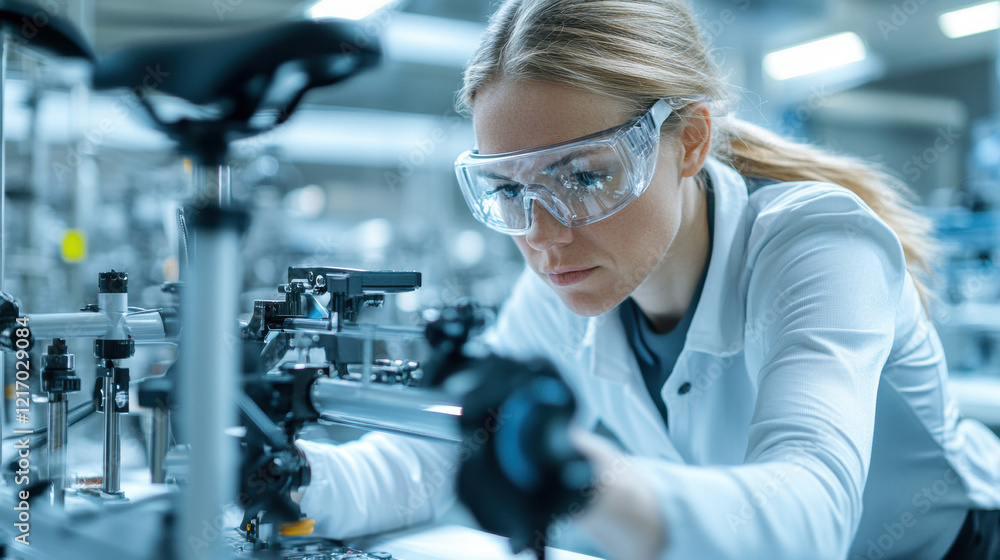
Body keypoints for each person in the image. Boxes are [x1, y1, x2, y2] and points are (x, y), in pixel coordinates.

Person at [296, 0, 1000, 558]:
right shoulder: (562, 286)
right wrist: (281, 476)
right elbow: (433, 455)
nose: (542, 233)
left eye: (583, 175)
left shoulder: (818, 245)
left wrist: (588, 482)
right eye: (508, 191)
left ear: (688, 141)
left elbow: (810, 514)